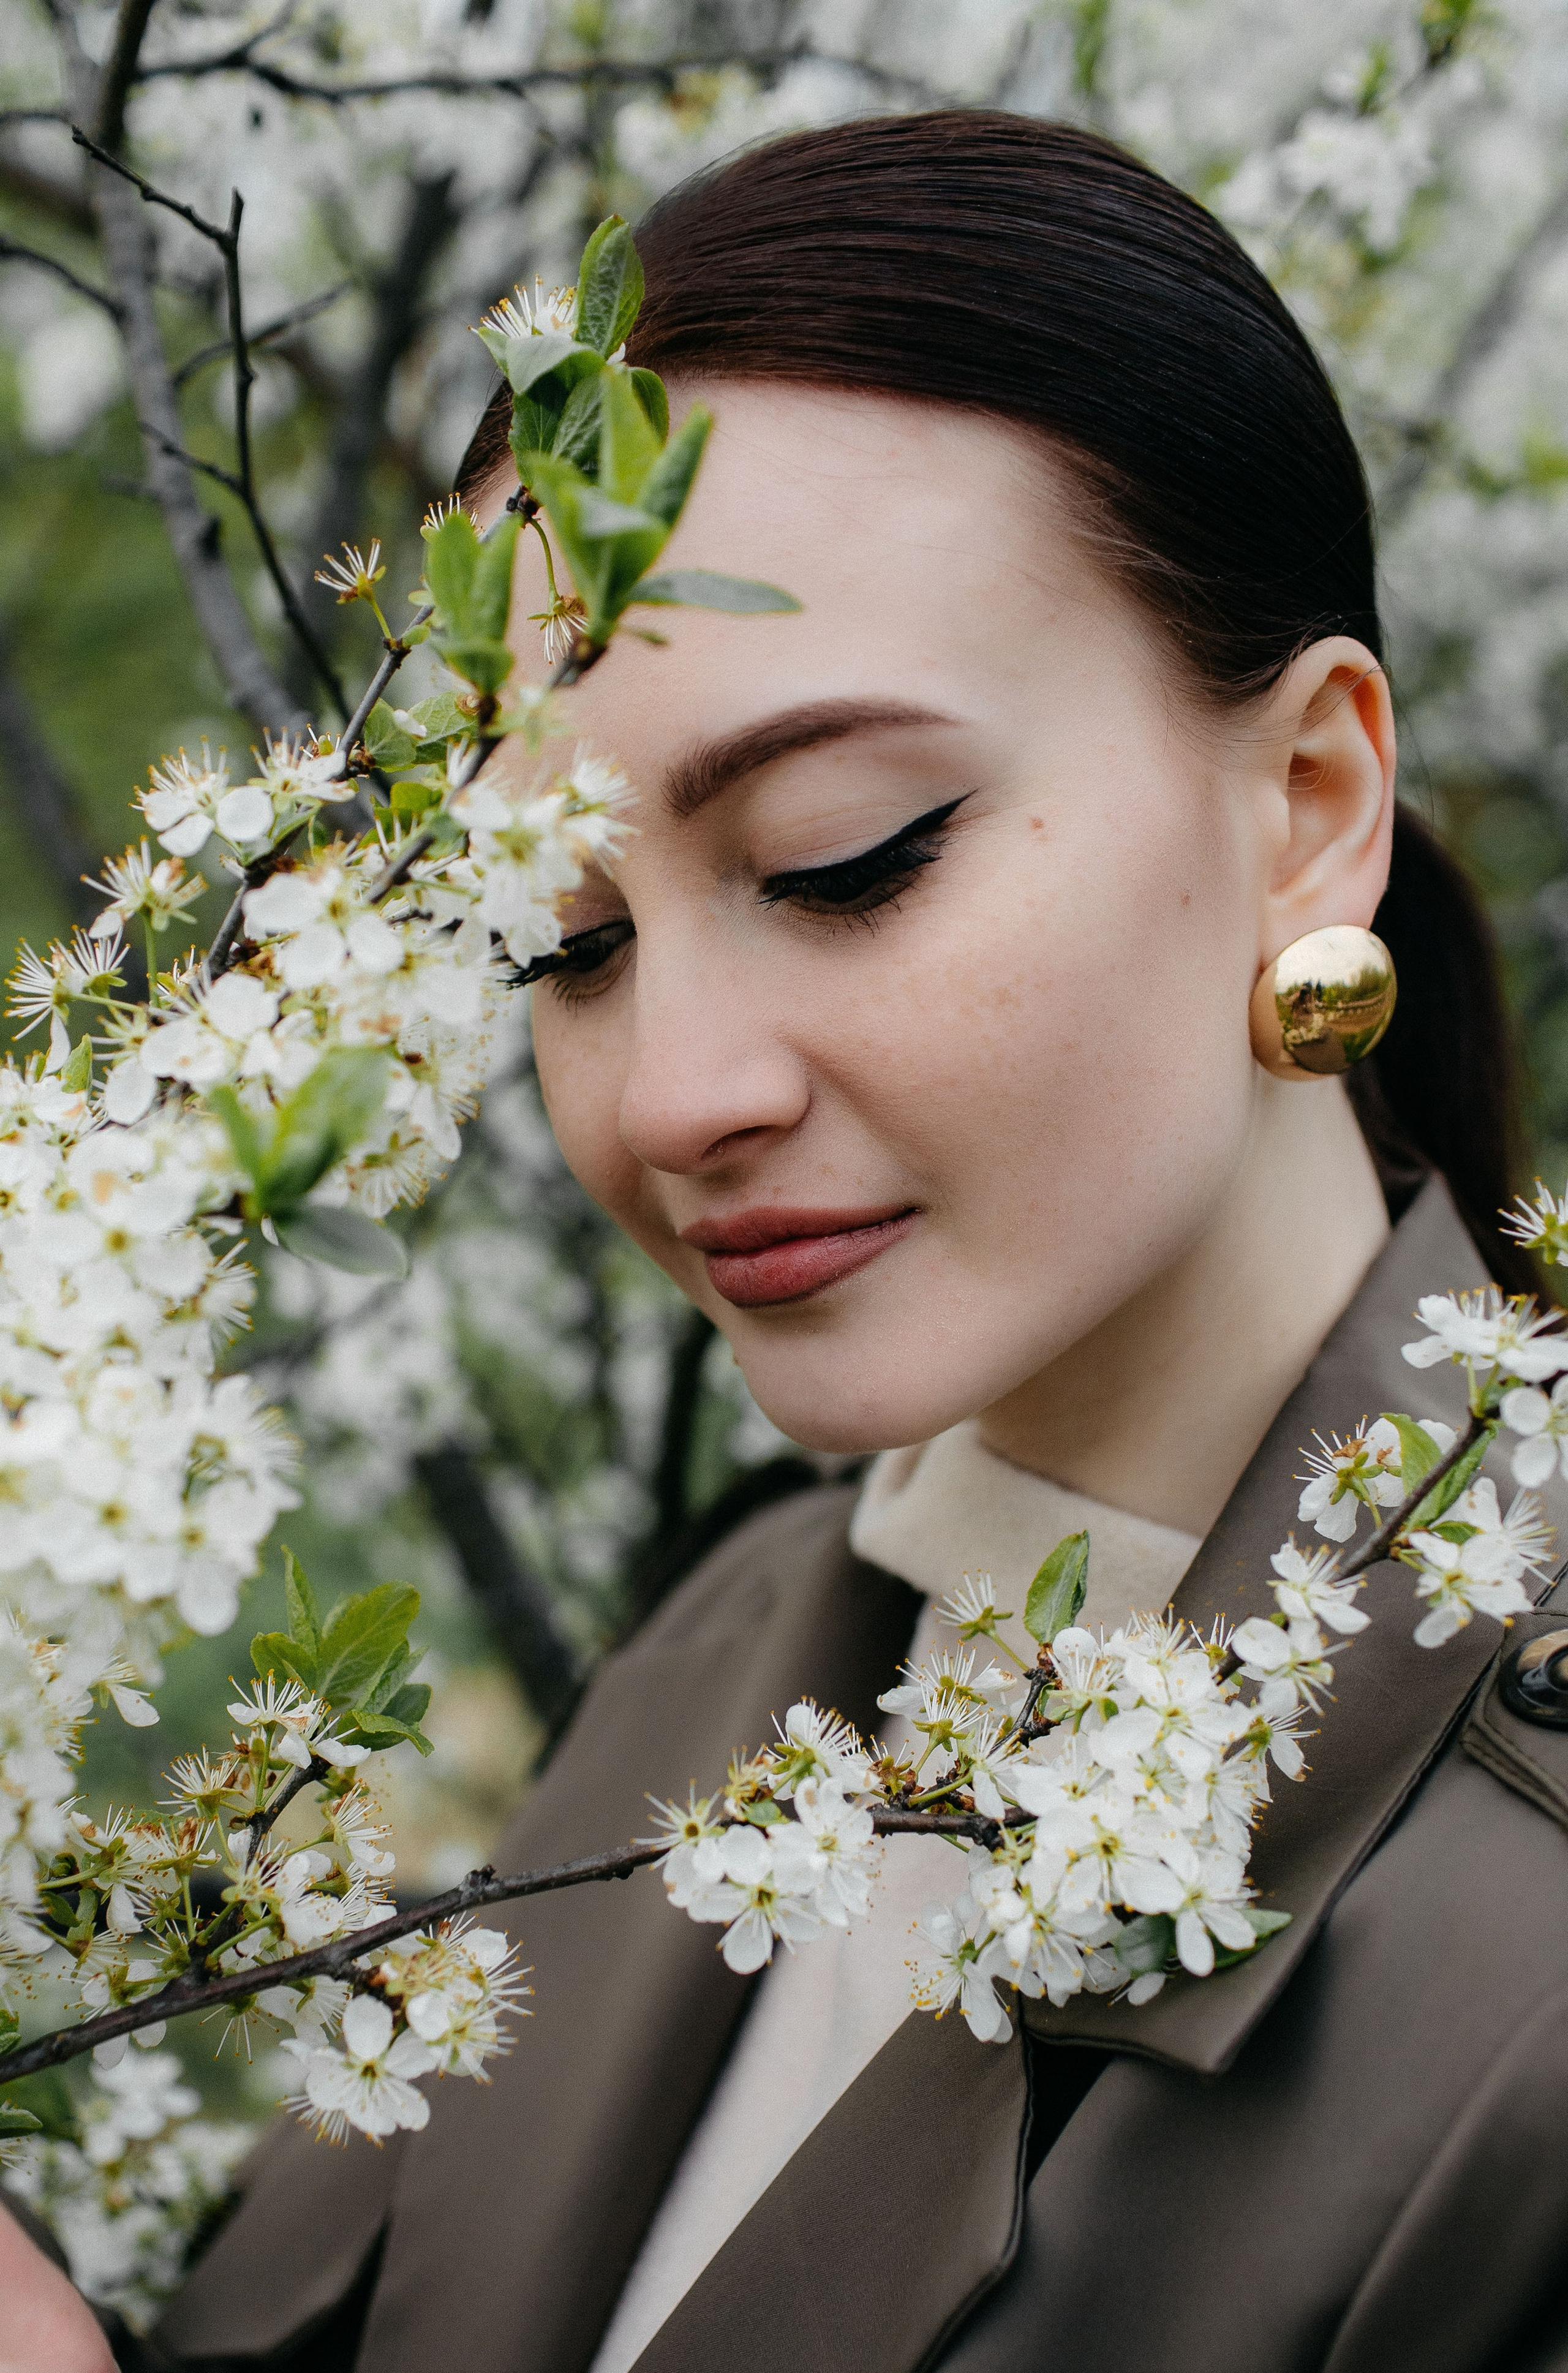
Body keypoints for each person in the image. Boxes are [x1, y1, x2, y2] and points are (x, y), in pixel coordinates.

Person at [11, 108, 1568, 2373]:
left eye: (848, 855)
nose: (672, 1093)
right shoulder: (736, 1646)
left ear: (1309, 805)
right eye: (564, 944)